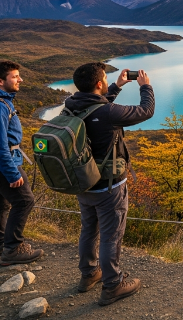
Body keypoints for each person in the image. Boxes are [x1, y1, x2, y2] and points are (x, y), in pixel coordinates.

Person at [65, 63, 154, 306]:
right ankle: (113, 285)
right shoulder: (108, 113)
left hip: (83, 182)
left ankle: (89, 274)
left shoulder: (71, 105)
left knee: (88, 229)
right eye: (105, 78)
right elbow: (146, 111)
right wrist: (145, 87)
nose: (107, 81)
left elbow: (95, 107)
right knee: (111, 236)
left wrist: (116, 86)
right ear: (98, 84)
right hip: (108, 186)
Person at [0, 60, 44, 265]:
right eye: (15, 76)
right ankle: (13, 249)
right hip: (0, 165)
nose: (20, 80)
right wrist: (12, 173)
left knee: (0, 203)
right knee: (24, 201)